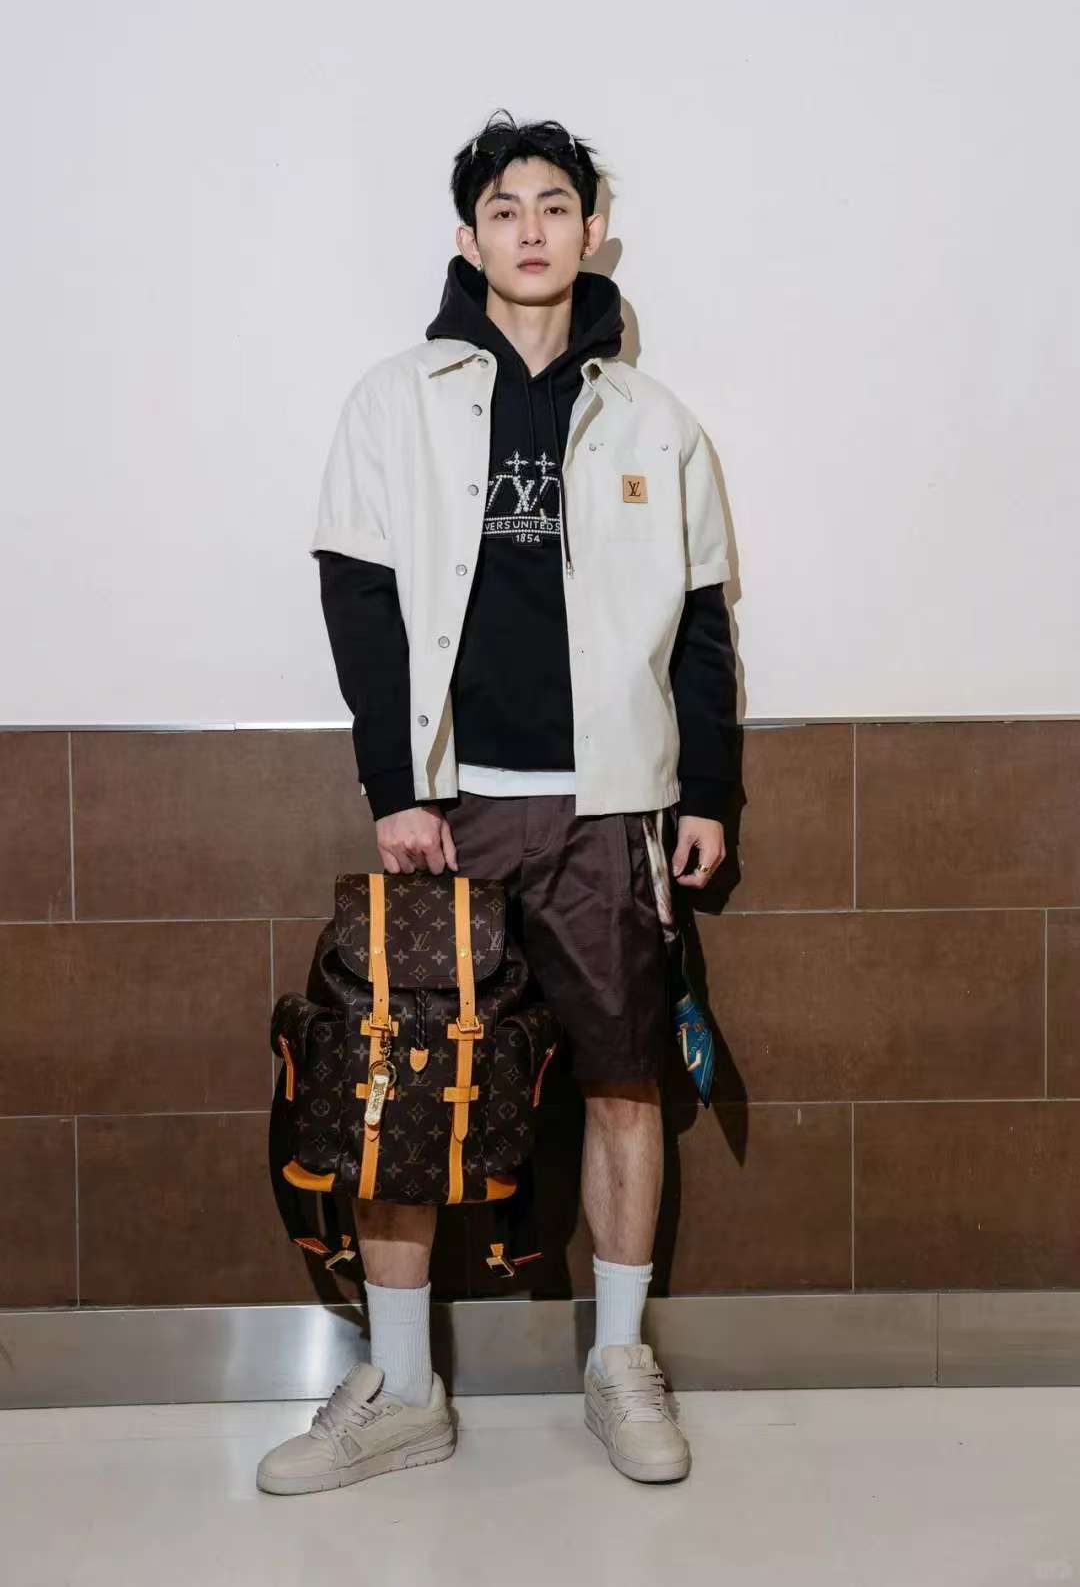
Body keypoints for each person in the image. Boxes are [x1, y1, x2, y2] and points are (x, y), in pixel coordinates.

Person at [256, 108, 738, 1496]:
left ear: (594, 231)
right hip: (450, 808)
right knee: (403, 1080)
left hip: (610, 808)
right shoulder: (394, 401)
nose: (532, 229)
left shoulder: (655, 422)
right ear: (470, 239)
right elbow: (358, 599)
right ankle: (406, 1391)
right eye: (506, 209)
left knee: (625, 1079)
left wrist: (705, 792)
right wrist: (395, 788)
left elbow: (702, 625)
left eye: (556, 206)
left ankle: (619, 1363)